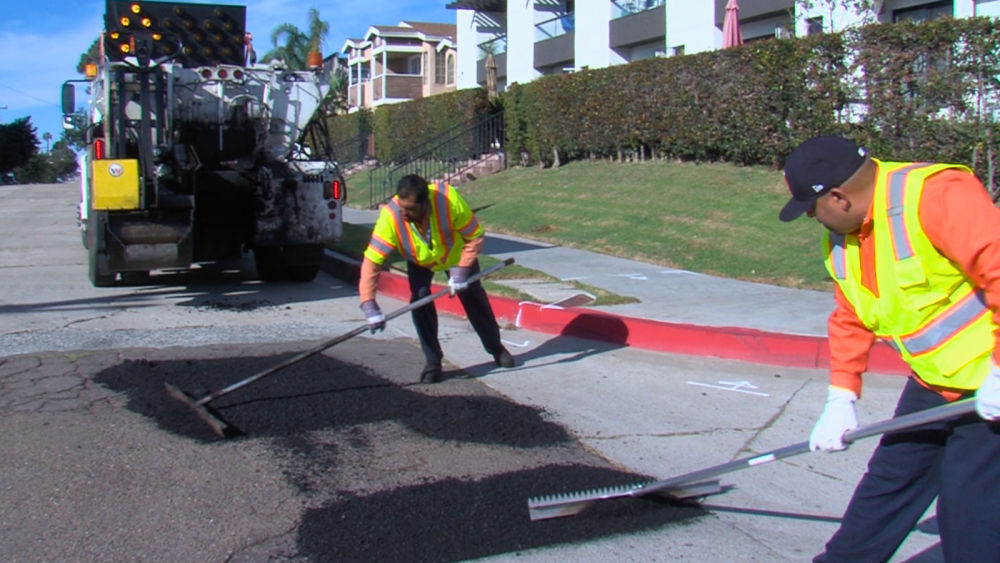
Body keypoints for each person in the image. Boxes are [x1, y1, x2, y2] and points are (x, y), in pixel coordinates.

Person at [779, 135, 1000, 563]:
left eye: (811, 207)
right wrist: (841, 396)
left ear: (839, 198)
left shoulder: (936, 196)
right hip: (935, 383)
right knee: (887, 486)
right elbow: (851, 315)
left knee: (969, 515)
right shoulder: (844, 239)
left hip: (991, 388)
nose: (810, 216)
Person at [359, 174, 514, 383]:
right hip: (420, 260)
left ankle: (496, 347)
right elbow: (372, 261)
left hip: (456, 256)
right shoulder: (391, 215)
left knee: (473, 295)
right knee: (420, 299)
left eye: (411, 209)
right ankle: (433, 361)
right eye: (402, 207)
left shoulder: (449, 200)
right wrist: (369, 304)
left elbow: (475, 236)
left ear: (426, 203)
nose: (404, 213)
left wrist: (460, 271)